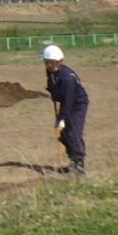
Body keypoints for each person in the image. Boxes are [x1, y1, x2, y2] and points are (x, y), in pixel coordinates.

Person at [42, 44, 88, 176]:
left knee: (73, 132)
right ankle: (73, 161)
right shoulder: (52, 72)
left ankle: (79, 166)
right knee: (63, 134)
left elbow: (69, 101)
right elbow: (52, 86)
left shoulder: (67, 78)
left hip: (77, 104)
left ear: (55, 62)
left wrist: (62, 118)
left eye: (47, 62)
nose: (45, 64)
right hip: (67, 103)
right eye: (45, 62)